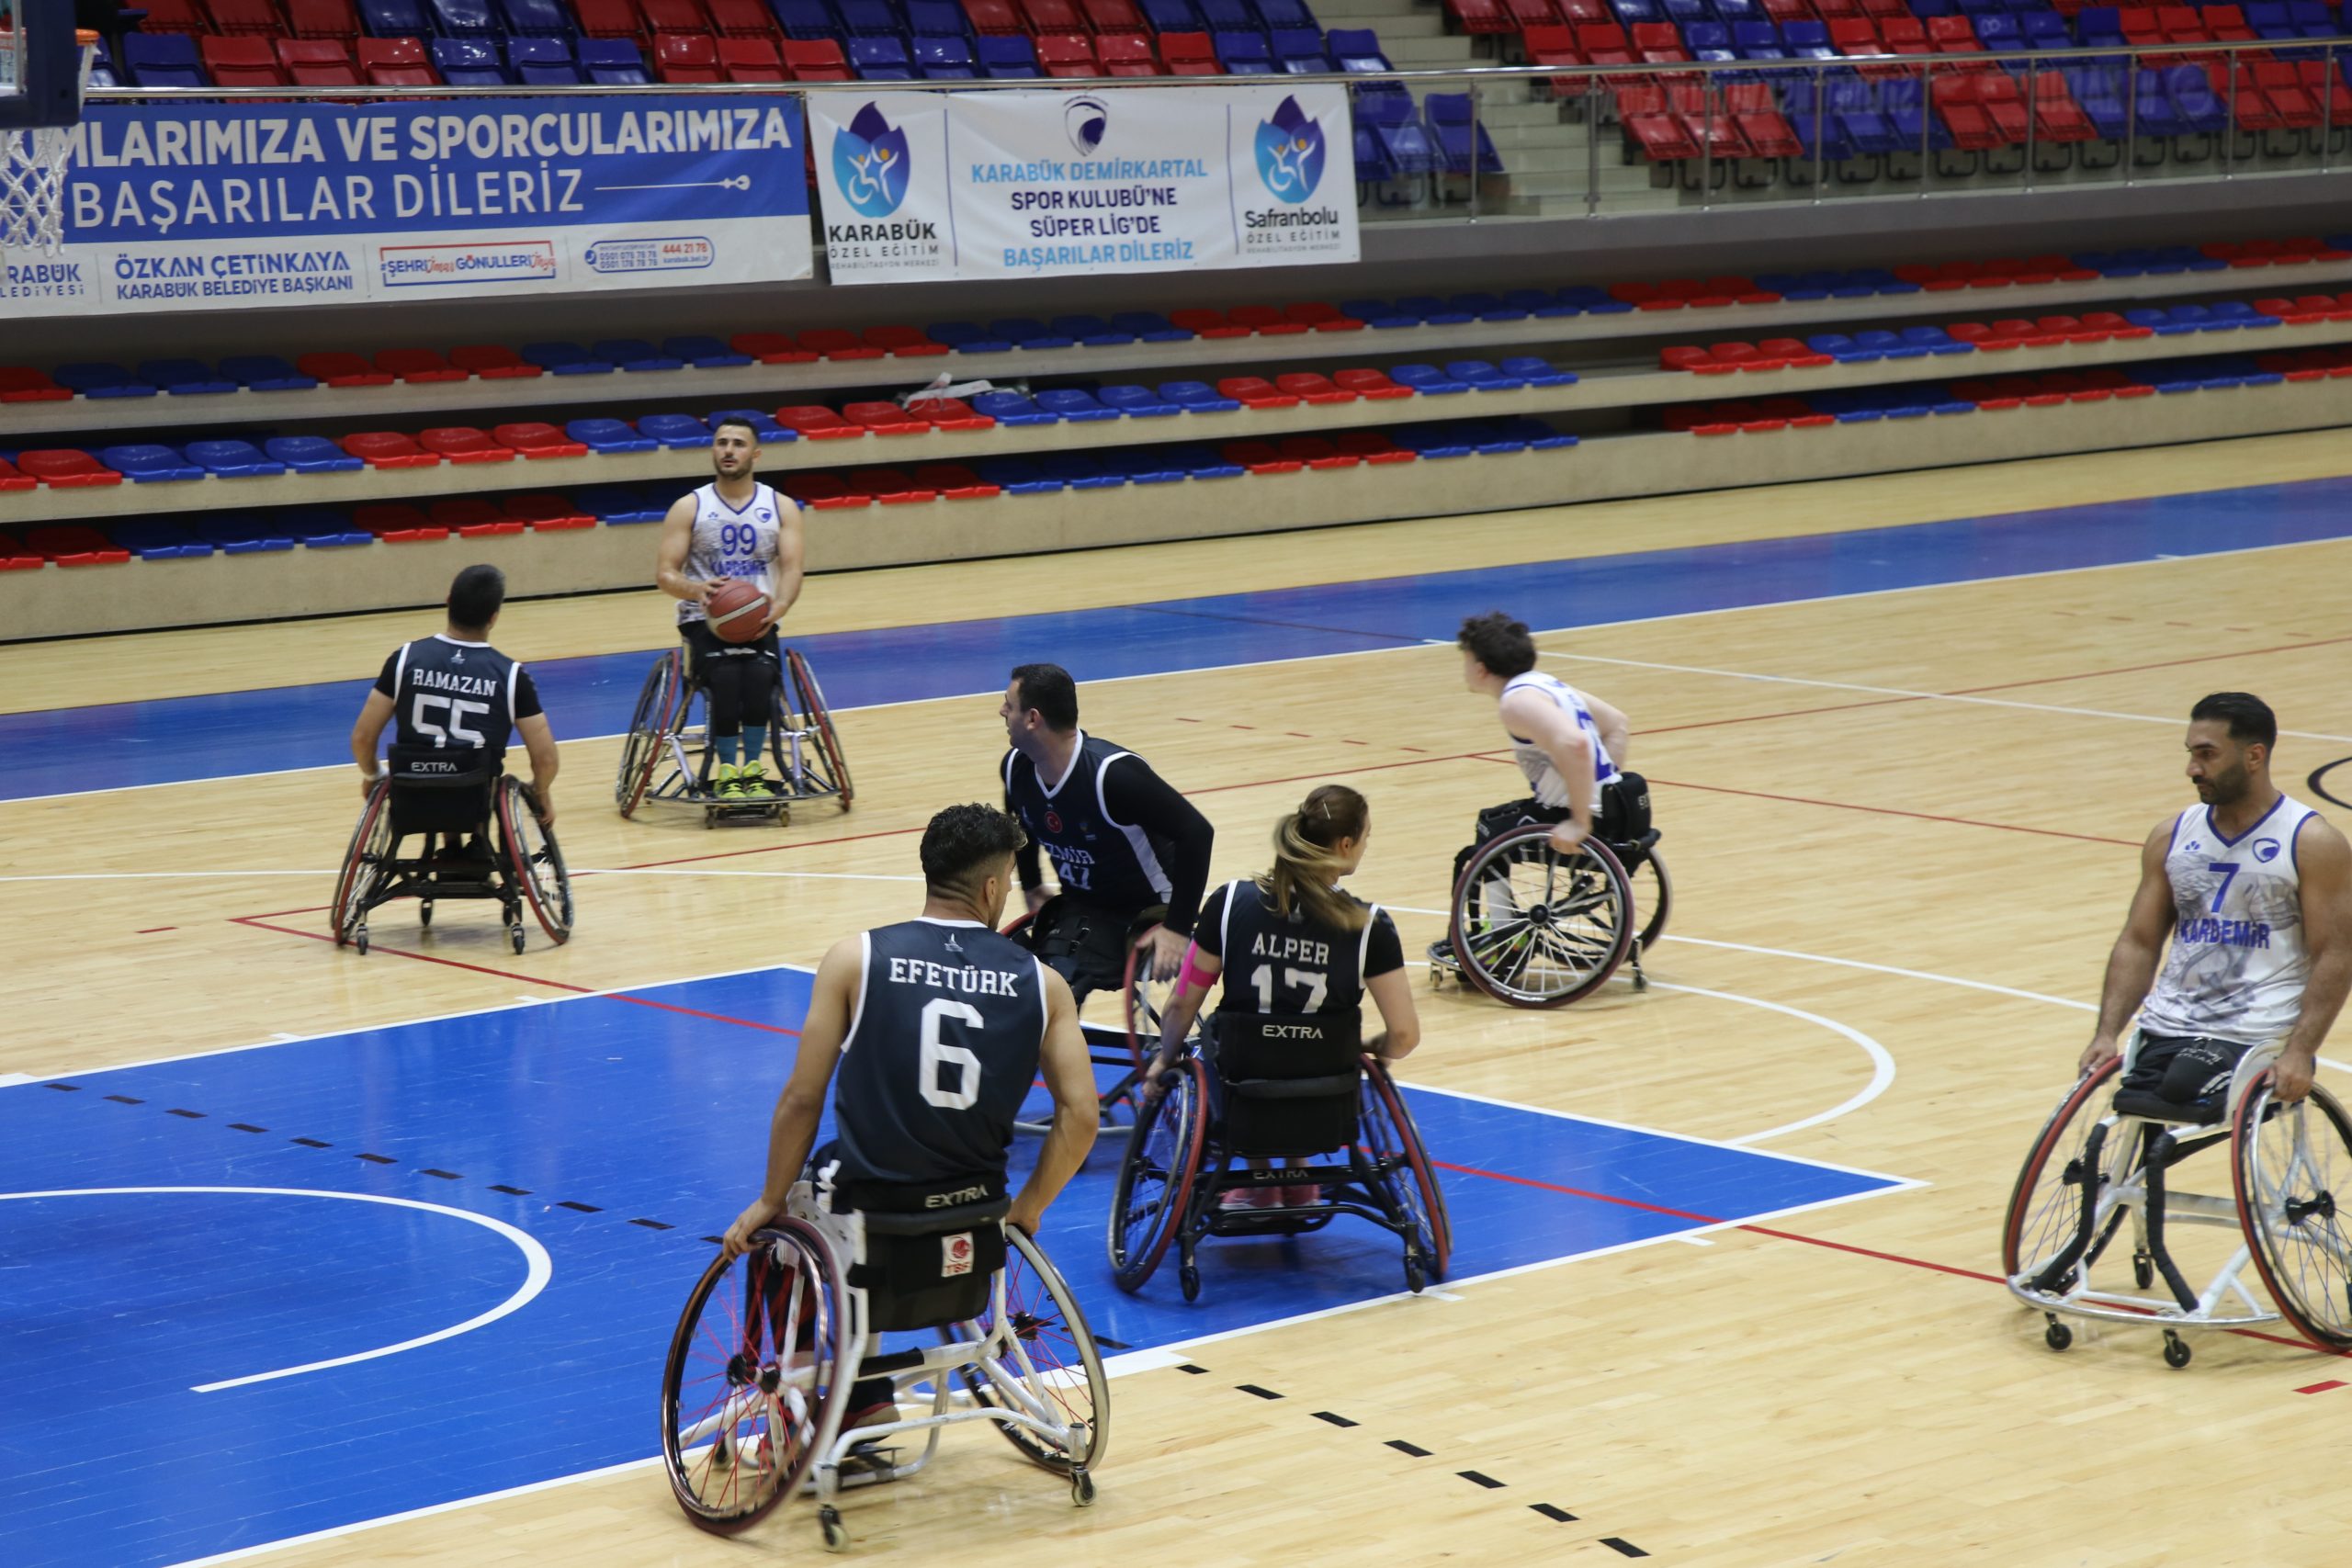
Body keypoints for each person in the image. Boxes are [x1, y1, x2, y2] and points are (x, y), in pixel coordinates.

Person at [721, 803, 1098, 1429]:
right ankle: (865, 1396)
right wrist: (1028, 1208)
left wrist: (767, 1199)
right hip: (975, 1209)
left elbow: (801, 1099)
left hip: (873, 1206)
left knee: (784, 1223)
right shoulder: (1044, 983)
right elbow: (1081, 1114)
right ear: (990, 886)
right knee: (842, 1199)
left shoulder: (855, 958)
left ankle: (819, 1395)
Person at [2078, 692, 2352, 1112]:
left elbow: (2337, 953)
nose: (2192, 769)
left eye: (2207, 754)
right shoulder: (2171, 836)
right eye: (2191, 753)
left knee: (2180, 1088)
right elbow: (2138, 942)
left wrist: (2300, 1051)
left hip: (2256, 1033)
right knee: (2123, 1117)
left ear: (2254, 756)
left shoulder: (2312, 842)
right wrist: (2106, 1033)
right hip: (2166, 1025)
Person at [1150, 784, 1419, 1208]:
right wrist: (1366, 1049)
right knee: (1311, 1051)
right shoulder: (1371, 927)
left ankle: (1259, 1180)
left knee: (1226, 1043)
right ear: (1346, 845)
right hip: (1326, 1103)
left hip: (1242, 1094)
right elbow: (1404, 1036)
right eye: (1367, 838)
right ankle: (1299, 1176)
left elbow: (1182, 1002)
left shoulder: (1229, 902)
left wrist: (1164, 1060)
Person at [1432, 610, 1639, 968]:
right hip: (1616, 809)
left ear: (1480, 668)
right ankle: (1502, 934)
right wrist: (1602, 793)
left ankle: (1502, 943)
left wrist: (1580, 820)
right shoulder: (1545, 685)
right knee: (1497, 820)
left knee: (1488, 831)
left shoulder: (1518, 701)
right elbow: (1617, 725)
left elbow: (1574, 744)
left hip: (1582, 815)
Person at [998, 662, 1216, 995]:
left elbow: (1197, 833)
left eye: (1009, 705)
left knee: (1056, 983)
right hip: (1082, 903)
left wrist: (1178, 927)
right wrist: (1031, 884)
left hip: (1146, 908)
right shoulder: (1016, 768)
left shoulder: (1112, 777)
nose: (1001, 711)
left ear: (1033, 719)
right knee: (1013, 973)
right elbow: (1020, 825)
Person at [655, 417, 806, 799]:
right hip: (703, 619)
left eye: (738, 443)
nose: (728, 450)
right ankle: (725, 772)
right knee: (724, 678)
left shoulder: (781, 506)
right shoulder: (690, 506)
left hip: (758, 618)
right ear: (713, 450)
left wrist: (782, 604)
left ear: (754, 453)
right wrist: (695, 588)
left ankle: (753, 771)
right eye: (722, 442)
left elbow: (792, 569)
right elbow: (664, 574)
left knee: (759, 677)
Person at [349, 563, 558, 830]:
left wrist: (372, 774)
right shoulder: (512, 675)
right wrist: (541, 792)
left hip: (412, 792)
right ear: (493, 617)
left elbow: (362, 738)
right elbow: (546, 760)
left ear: (448, 601)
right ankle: (472, 848)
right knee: (476, 784)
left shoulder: (404, 659)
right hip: (474, 798)